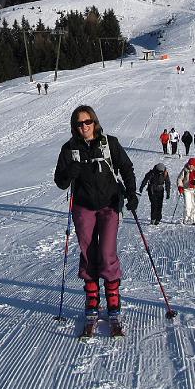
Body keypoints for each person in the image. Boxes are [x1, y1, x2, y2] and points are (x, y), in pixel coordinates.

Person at [54, 105, 137, 323]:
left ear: (95, 122)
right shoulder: (69, 149)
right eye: (79, 123)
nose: (84, 127)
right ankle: (92, 297)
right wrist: (71, 171)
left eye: (87, 122)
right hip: (83, 207)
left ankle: (113, 297)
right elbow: (60, 182)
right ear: (75, 126)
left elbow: (126, 168)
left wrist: (131, 193)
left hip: (109, 205)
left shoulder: (110, 143)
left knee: (107, 252)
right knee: (88, 253)